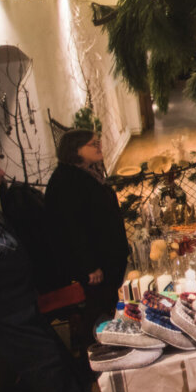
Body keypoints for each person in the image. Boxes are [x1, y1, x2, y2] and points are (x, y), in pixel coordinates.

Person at [0, 150, 103, 392]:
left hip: (22, 300)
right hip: (1, 311)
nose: (1, 173)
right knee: (43, 363)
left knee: (55, 353)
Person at [45, 130, 128, 347]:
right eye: (92, 144)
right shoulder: (66, 182)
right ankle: (96, 352)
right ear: (75, 151)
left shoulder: (86, 172)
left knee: (105, 306)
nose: (99, 146)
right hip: (94, 268)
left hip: (106, 259)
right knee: (95, 312)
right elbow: (71, 229)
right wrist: (89, 266)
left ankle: (108, 344)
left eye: (98, 142)